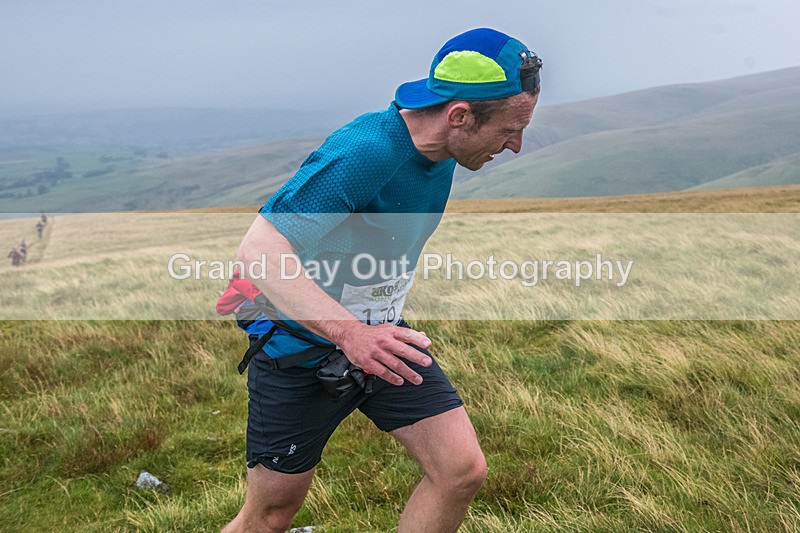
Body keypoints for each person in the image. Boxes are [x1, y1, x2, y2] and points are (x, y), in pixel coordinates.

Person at [225, 28, 542, 533]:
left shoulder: (444, 149)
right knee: (272, 514)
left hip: (382, 338)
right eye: (510, 129)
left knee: (459, 471)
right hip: (302, 351)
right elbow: (257, 252)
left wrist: (368, 331)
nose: (517, 146)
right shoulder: (366, 153)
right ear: (458, 116)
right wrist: (351, 334)